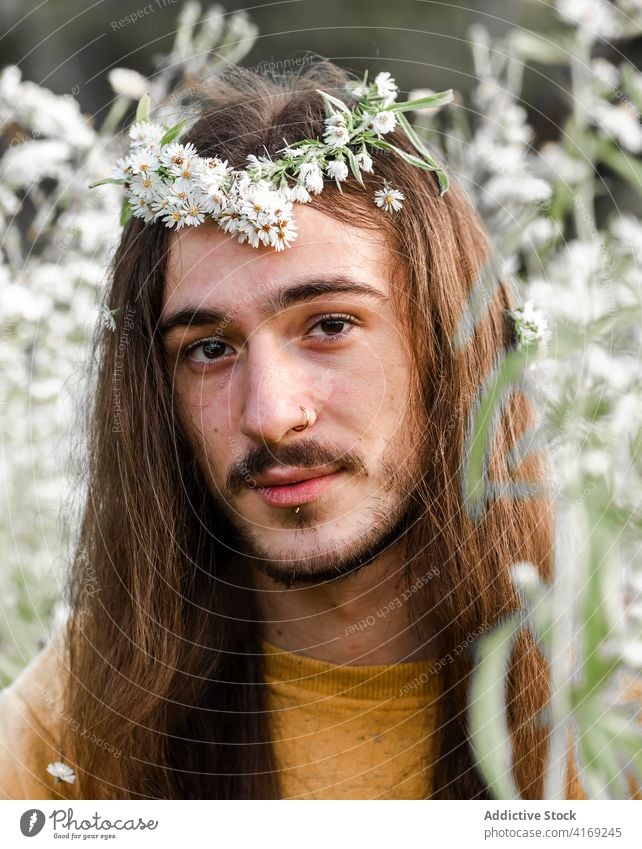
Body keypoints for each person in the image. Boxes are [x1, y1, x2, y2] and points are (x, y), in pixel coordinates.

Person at [0, 59, 619, 801]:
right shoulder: (71, 722)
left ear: (450, 344)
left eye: (329, 325)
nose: (269, 413)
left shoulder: (616, 704)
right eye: (209, 348)